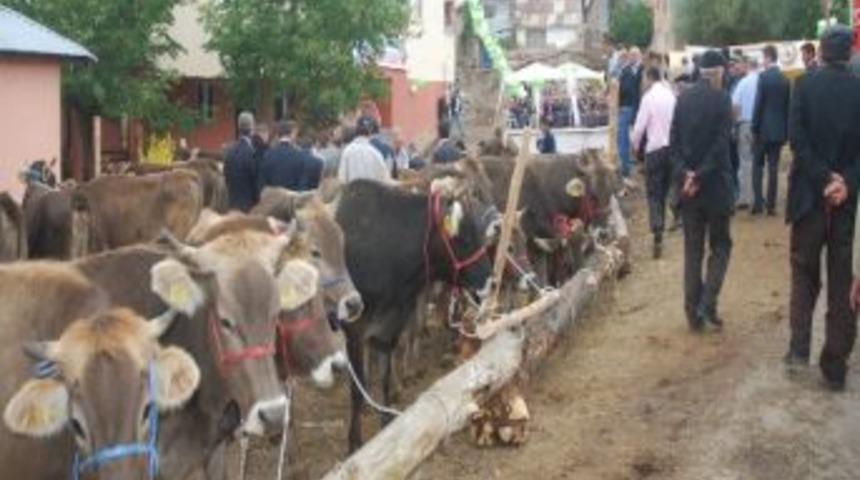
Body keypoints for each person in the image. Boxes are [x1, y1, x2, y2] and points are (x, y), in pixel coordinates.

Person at [789, 26, 860, 391]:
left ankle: (799, 349)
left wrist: (823, 179)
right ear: (848, 53)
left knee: (803, 274)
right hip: (845, 203)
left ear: (820, 52)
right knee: (841, 279)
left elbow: (797, 142)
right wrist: (844, 181)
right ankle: (835, 364)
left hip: (809, 199)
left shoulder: (803, 85)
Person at [670, 50, 734, 332]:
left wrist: (687, 174)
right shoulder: (722, 99)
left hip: (689, 191)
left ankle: (692, 313)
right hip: (715, 187)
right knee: (721, 246)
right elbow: (721, 146)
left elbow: (672, 144)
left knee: (692, 251)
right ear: (718, 72)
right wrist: (701, 174)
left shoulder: (682, 99)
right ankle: (708, 303)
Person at [632, 67, 677, 259]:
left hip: (655, 149)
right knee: (665, 190)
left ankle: (657, 231)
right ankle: (665, 222)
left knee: (653, 193)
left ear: (649, 79)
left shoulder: (648, 98)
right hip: (672, 148)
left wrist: (635, 146)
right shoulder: (671, 96)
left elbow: (640, 127)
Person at [752, 45, 791, 216]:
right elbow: (787, 108)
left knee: (757, 167)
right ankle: (771, 205)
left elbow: (758, 105)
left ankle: (758, 204)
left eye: (764, 58)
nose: (763, 61)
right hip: (778, 131)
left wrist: (754, 126)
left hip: (762, 131)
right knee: (773, 168)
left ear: (768, 57)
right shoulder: (785, 80)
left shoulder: (763, 77)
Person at [731, 57, 761, 209]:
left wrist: (733, 125)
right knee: (759, 161)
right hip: (760, 125)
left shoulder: (743, 83)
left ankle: (746, 197)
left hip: (745, 124)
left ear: (748, 66)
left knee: (745, 160)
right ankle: (758, 195)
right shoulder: (762, 81)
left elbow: (735, 106)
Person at [338, 116, 392, 184]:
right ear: (371, 133)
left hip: (352, 193)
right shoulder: (376, 154)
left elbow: (342, 180)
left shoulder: (347, 151)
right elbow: (385, 181)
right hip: (372, 193)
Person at [224, 111, 259, 212]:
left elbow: (226, 175)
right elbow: (255, 181)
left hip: (231, 205)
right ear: (252, 128)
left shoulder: (230, 151)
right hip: (249, 207)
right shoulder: (252, 153)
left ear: (239, 127)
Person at [258, 120, 306, 192]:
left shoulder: (267, 155)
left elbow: (261, 183)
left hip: (272, 200)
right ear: (292, 134)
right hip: (291, 200)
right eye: (296, 134)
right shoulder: (300, 156)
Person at [617, 47, 643, 178]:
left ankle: (641, 164)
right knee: (623, 138)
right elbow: (620, 89)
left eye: (634, 55)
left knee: (643, 137)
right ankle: (625, 168)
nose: (632, 57)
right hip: (627, 107)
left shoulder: (644, 70)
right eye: (630, 55)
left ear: (639, 56)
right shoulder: (625, 71)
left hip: (642, 107)